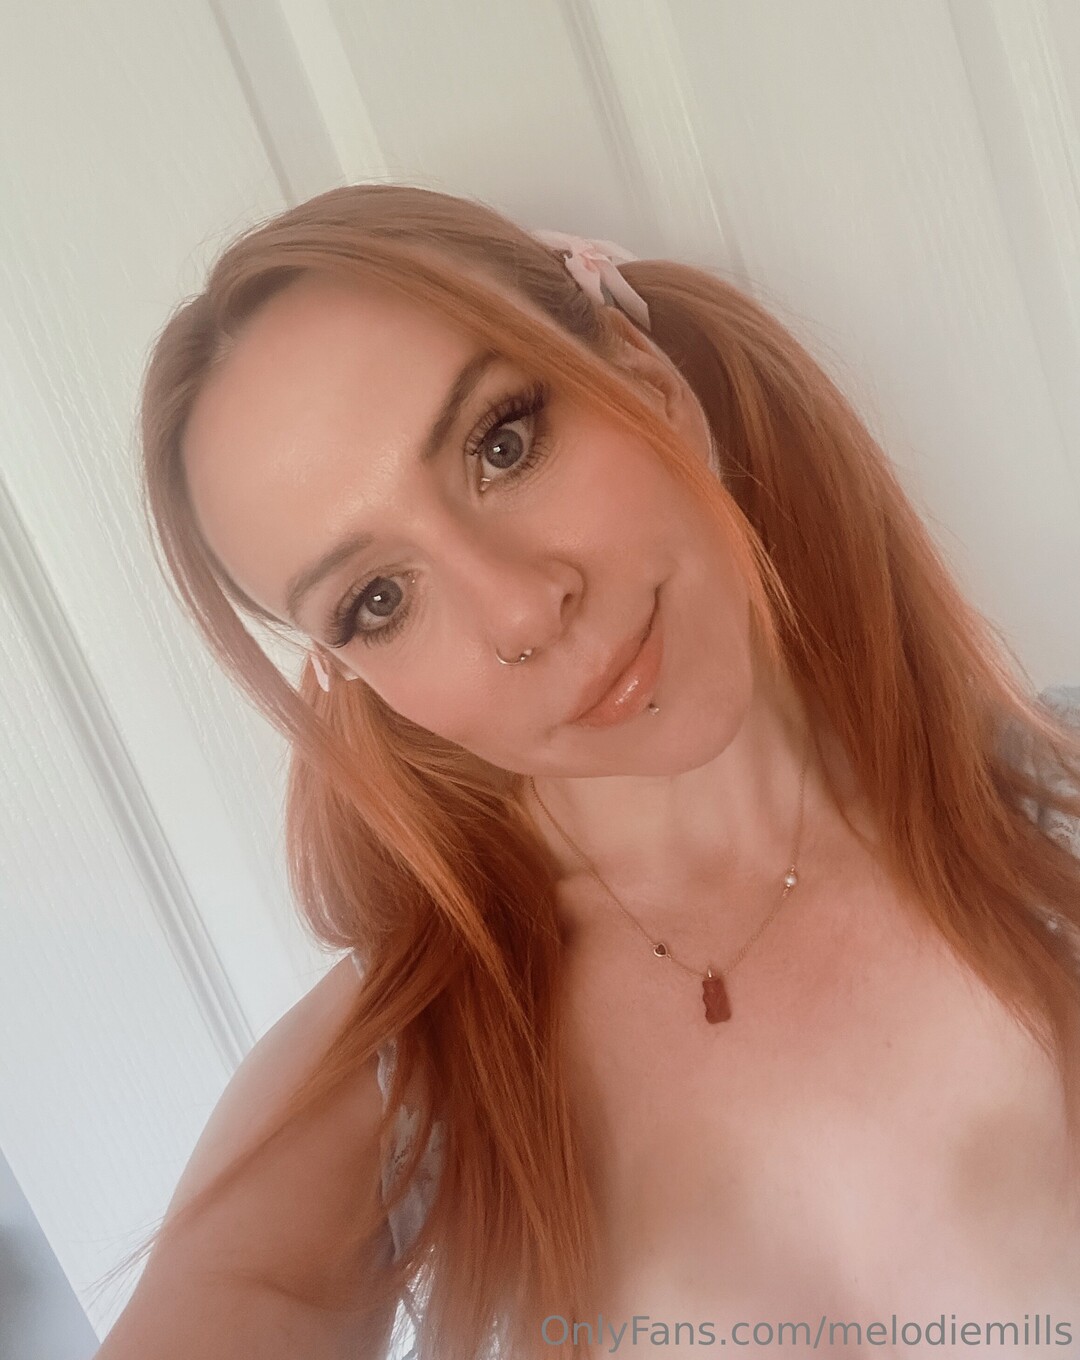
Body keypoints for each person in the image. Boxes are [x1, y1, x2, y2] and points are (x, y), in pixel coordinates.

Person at [96, 183, 1080, 1360]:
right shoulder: (397, 1070)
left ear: (646, 378)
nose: (523, 609)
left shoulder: (1058, 810)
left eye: (502, 445)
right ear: (358, 678)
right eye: (379, 600)